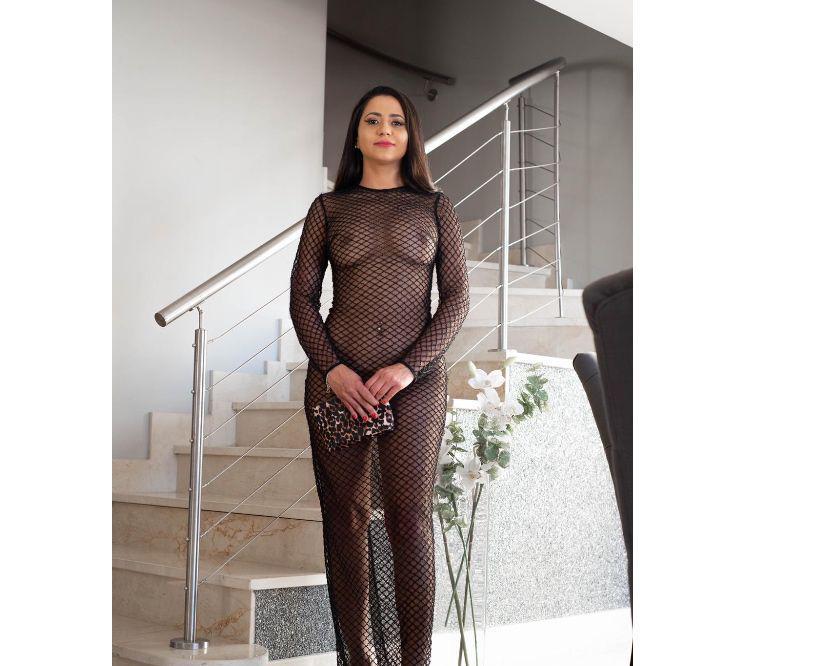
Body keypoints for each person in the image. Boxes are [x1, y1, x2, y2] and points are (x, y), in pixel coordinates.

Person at [289, 85, 470, 665]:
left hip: (415, 384)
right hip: (337, 385)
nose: (384, 130)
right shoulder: (329, 209)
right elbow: (302, 301)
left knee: (409, 519)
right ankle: (360, 660)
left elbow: (458, 298)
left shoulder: (435, 207)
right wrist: (334, 370)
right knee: (345, 519)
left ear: (410, 136)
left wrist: (408, 367)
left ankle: (414, 661)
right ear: (357, 135)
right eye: (372, 120)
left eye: (395, 121)